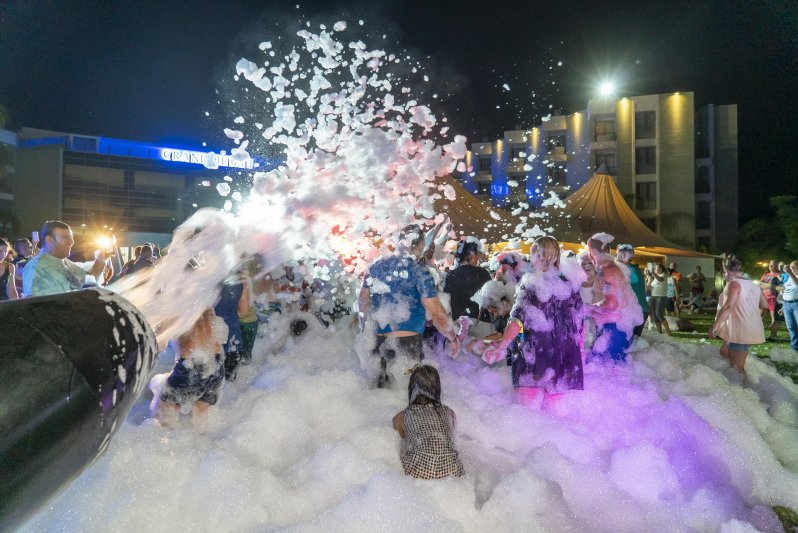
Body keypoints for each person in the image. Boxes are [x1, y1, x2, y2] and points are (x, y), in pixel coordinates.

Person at [483, 236, 584, 406]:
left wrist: (501, 346)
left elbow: (517, 320)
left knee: (528, 416)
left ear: (537, 255)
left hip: (536, 355)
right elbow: (580, 321)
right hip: (565, 356)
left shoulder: (531, 283)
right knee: (556, 418)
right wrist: (578, 351)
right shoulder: (569, 284)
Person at [358, 224, 459, 388]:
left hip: (378, 342)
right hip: (408, 343)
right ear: (420, 245)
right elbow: (437, 313)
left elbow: (363, 303)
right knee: (404, 397)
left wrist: (364, 332)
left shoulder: (375, 267)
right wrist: (452, 338)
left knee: (379, 399)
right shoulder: (419, 271)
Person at [150, 309, 228, 431]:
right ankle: (203, 442)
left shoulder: (176, 304)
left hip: (192, 364)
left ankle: (163, 442)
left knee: (165, 407)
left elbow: (159, 343)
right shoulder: (205, 299)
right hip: (217, 363)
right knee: (202, 412)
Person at [392, 364, 464, 479]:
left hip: (419, 469)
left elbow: (399, 445)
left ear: (412, 389)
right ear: (437, 389)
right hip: (453, 470)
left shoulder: (401, 417)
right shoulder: (450, 413)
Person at [585, 233, 643, 362]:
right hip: (618, 324)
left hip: (616, 327)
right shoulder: (610, 268)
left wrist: (588, 310)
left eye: (589, 251)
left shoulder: (609, 270)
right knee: (611, 367)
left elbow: (613, 304)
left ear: (593, 251)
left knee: (606, 366)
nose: (589, 255)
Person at [708, 254, 768, 374]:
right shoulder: (754, 285)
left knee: (737, 368)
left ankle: (744, 389)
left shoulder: (733, 284)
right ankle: (731, 382)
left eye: (724, 272)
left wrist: (714, 327)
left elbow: (727, 307)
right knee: (724, 353)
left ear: (726, 271)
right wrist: (754, 318)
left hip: (740, 331)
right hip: (739, 328)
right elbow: (764, 305)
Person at [22, 220, 112, 297]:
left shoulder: (64, 261)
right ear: (49, 240)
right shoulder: (35, 268)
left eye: (71, 238)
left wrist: (101, 259)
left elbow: (90, 280)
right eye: (66, 238)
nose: (71, 242)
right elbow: (36, 307)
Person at [443, 237, 492, 337]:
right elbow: (491, 300)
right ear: (472, 254)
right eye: (477, 252)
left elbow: (446, 302)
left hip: (458, 326)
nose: (478, 256)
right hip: (481, 324)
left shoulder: (451, 275)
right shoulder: (483, 273)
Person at [615, 244, 648, 338]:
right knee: (632, 344)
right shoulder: (632, 268)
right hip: (639, 310)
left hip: (636, 311)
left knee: (630, 342)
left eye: (618, 254)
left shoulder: (628, 270)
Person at [646, 263, 672, 336]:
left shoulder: (664, 275)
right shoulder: (655, 278)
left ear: (661, 269)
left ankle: (668, 331)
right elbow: (651, 288)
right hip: (654, 296)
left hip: (661, 297)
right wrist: (647, 283)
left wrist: (652, 273)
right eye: (654, 268)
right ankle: (659, 332)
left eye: (656, 268)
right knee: (654, 315)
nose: (654, 269)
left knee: (659, 314)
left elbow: (660, 280)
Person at [777, 260, 798, 351]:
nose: (792, 268)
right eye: (791, 267)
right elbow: (788, 291)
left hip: (797, 304)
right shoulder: (790, 277)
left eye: (794, 267)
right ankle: (794, 348)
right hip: (787, 305)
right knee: (791, 327)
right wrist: (783, 306)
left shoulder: (792, 276)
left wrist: (790, 273)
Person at [760, 259, 783, 341]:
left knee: (774, 317)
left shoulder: (779, 275)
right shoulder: (765, 275)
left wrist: (768, 285)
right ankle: (760, 335)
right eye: (770, 265)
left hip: (773, 298)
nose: (771, 266)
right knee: (760, 316)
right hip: (763, 297)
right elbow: (760, 284)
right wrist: (770, 285)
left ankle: (773, 335)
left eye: (773, 265)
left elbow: (779, 287)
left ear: (777, 266)